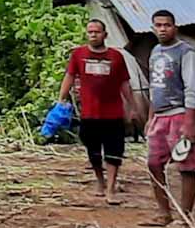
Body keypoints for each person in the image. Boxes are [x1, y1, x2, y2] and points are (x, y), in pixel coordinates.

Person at [56, 19, 144, 203]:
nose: (93, 35)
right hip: (89, 113)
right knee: (93, 151)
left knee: (114, 151)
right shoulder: (79, 55)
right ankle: (100, 181)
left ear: (105, 34)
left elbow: (124, 83)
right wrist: (61, 99)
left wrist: (133, 108)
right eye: (90, 32)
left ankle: (111, 188)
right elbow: (70, 76)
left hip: (113, 114)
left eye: (97, 31)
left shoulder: (116, 57)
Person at [143, 9, 195, 228]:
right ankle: (164, 213)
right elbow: (154, 88)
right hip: (160, 116)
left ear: (175, 27)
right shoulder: (155, 52)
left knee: (186, 166)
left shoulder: (186, 53)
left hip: (180, 114)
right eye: (158, 25)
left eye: (166, 25)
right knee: (153, 164)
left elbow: (191, 88)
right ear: (152, 28)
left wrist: (190, 122)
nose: (162, 29)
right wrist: (150, 118)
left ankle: (185, 217)